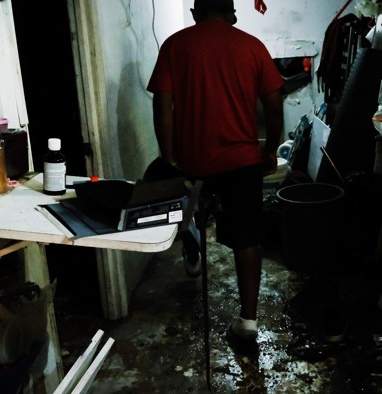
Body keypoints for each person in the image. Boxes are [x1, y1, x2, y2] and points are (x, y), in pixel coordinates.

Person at [147, 0, 284, 352]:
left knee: (182, 203)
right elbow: (273, 101)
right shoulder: (252, 46)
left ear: (195, 14)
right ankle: (248, 323)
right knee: (247, 237)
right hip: (241, 161)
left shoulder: (176, 44)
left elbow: (162, 103)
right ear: (231, 14)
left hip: (192, 161)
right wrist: (271, 149)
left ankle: (191, 242)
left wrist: (169, 157)